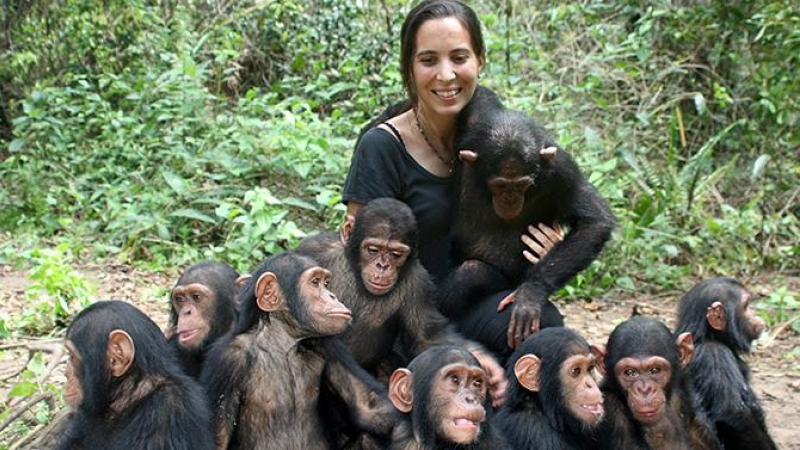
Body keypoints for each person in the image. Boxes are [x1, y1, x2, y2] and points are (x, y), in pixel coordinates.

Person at [341, 0, 562, 358]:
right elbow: (360, 271)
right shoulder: (381, 147)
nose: (446, 75)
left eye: (459, 58)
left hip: (478, 299)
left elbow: (527, 226)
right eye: (429, 60)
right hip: (405, 319)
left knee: (543, 329)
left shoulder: (499, 138)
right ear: (409, 69)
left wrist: (548, 251)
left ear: (480, 61)